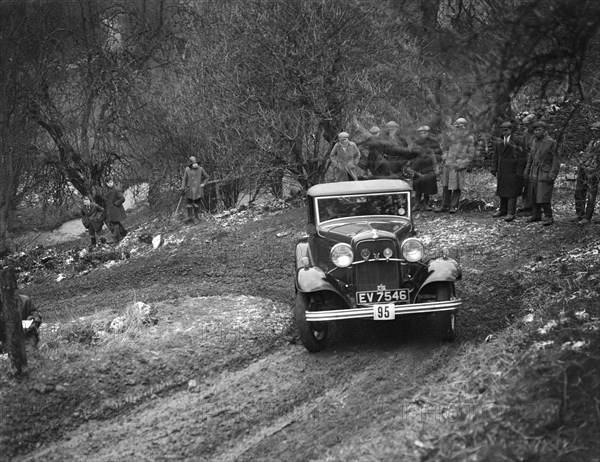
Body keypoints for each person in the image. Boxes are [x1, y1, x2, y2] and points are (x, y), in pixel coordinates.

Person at [435, 118, 476, 214]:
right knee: (446, 185)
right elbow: (444, 148)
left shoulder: (469, 138)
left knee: (457, 186)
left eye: (461, 127)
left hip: (459, 164)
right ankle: (444, 205)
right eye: (457, 127)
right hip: (448, 164)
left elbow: (471, 154)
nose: (458, 129)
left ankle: (453, 206)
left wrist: (462, 163)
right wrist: (445, 159)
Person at [523, 121, 560, 226]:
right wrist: (527, 170)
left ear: (545, 130)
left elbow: (556, 160)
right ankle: (536, 215)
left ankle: (549, 216)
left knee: (543, 196)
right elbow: (530, 158)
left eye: (539, 130)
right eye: (535, 130)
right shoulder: (534, 142)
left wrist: (552, 174)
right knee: (534, 195)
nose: (536, 132)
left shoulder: (551, 142)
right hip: (534, 172)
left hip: (545, 172)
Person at [490, 121, 527, 222]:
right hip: (502, 170)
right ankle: (502, 210)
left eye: (506, 130)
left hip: (512, 170)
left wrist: (519, 172)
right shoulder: (499, 141)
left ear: (511, 130)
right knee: (502, 190)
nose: (504, 132)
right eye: (502, 130)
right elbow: (495, 156)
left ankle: (511, 212)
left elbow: (523, 158)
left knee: (512, 192)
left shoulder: (517, 141)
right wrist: (494, 167)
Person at [573, 121, 600, 225]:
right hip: (584, 168)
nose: (594, 133)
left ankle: (587, 217)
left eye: (596, 131)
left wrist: (595, 171)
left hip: (594, 171)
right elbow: (586, 155)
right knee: (579, 191)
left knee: (591, 194)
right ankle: (579, 213)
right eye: (593, 131)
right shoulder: (592, 141)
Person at [411, 125, 441, 211]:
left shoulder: (434, 143)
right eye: (419, 133)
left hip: (429, 166)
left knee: (428, 186)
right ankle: (417, 204)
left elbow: (438, 155)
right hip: (419, 167)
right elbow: (412, 155)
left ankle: (426, 204)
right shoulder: (416, 142)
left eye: (423, 133)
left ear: (427, 133)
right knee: (418, 186)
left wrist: (437, 167)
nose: (421, 135)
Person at [518, 113, 537, 214]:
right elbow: (524, 146)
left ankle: (534, 206)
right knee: (526, 182)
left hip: (536, 159)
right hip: (527, 158)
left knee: (533, 183)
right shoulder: (526, 133)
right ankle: (526, 205)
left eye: (528, 124)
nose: (526, 127)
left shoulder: (538, 132)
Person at [181, 156, 209, 223]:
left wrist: (203, 184)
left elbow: (207, 177)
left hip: (197, 190)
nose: (196, 164)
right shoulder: (187, 169)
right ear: (191, 164)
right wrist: (182, 187)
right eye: (194, 163)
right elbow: (184, 179)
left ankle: (196, 218)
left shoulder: (201, 169)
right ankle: (189, 217)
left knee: (196, 204)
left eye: (196, 163)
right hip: (189, 189)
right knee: (189, 204)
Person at [104, 177, 128, 242]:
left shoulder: (116, 190)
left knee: (115, 223)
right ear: (106, 184)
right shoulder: (108, 190)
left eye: (111, 182)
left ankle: (114, 236)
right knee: (114, 223)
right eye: (108, 183)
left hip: (115, 209)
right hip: (111, 210)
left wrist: (115, 204)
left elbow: (122, 198)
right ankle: (119, 237)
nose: (110, 184)